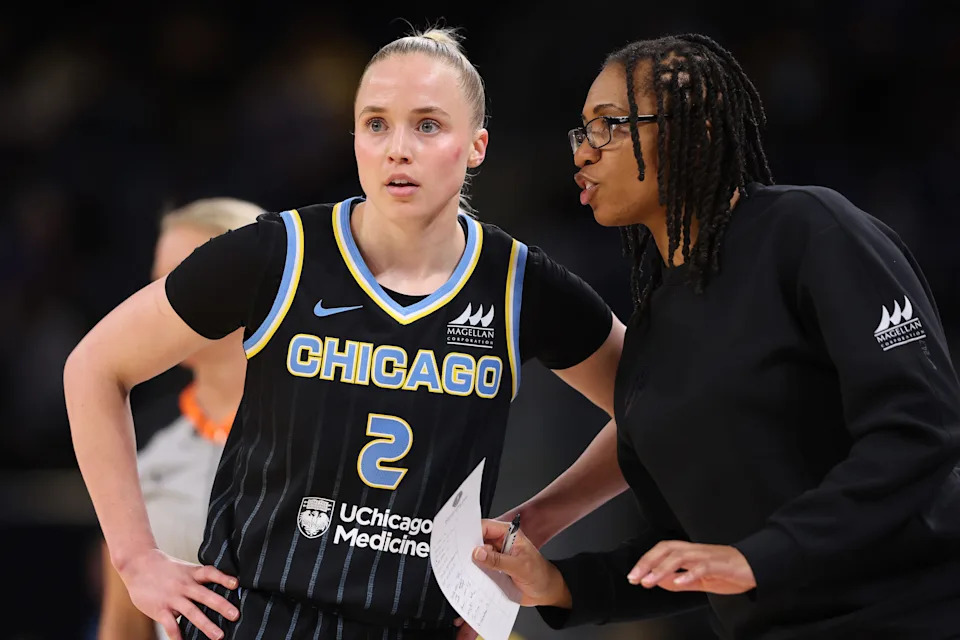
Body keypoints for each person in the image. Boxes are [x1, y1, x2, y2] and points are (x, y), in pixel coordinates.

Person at [64, 27, 630, 640]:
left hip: (417, 624)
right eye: (376, 124)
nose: (398, 149)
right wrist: (135, 558)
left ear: (477, 146)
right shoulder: (278, 253)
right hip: (259, 620)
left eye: (428, 125)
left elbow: (657, 415)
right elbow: (94, 367)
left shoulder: (521, 283)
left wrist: (534, 522)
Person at [471, 33, 960, 639]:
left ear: (693, 132)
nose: (584, 153)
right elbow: (690, 546)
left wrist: (758, 557)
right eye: (582, 132)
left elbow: (919, 432)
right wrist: (560, 585)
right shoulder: (651, 331)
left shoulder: (810, 230)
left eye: (609, 126)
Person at [97, 198, 262, 640]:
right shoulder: (132, 430)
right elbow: (123, 622)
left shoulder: (324, 427)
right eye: (156, 283)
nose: (158, 303)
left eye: (183, 280)